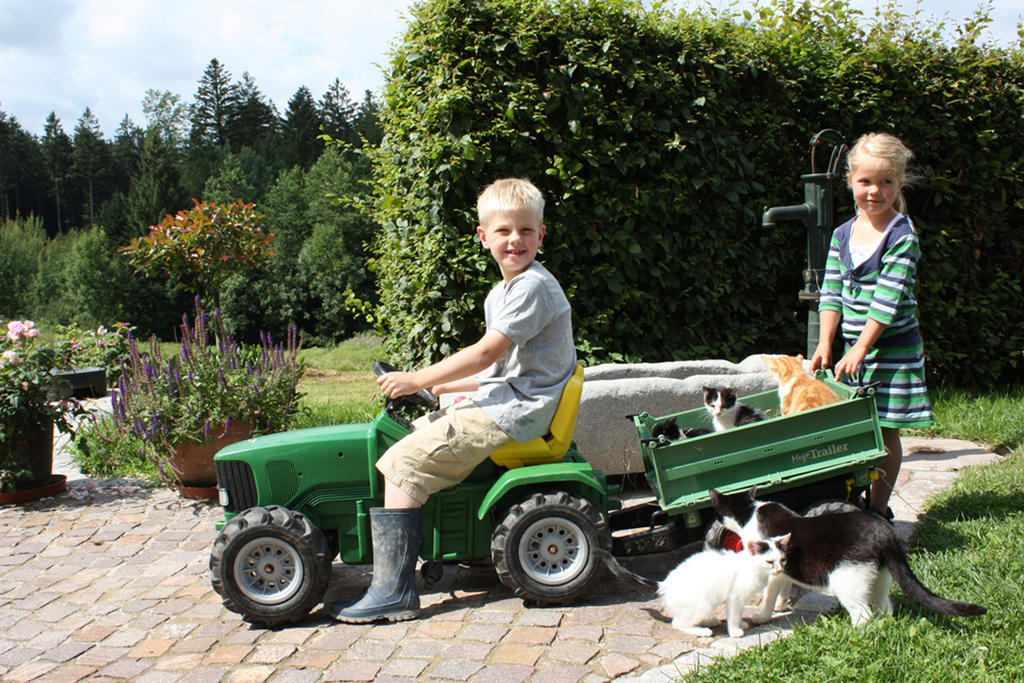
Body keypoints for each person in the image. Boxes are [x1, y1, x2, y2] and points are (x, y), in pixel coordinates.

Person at [330, 177, 576, 623]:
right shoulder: (503, 292)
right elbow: (500, 367)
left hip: (517, 412)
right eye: (503, 230)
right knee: (416, 434)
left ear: (542, 234)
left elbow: (485, 352)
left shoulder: (532, 287)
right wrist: (442, 389)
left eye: (525, 230)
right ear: (484, 237)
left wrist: (417, 378)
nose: (515, 240)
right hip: (508, 399)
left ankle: (393, 591)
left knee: (403, 463)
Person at [811, 132, 934, 520]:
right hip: (853, 348)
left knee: (884, 432)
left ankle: (877, 510)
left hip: (891, 349)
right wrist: (825, 343)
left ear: (899, 184)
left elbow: (887, 300)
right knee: (853, 428)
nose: (874, 191)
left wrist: (861, 347)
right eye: (865, 181)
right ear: (850, 181)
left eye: (886, 182)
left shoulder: (901, 235)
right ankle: (852, 499)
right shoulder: (842, 234)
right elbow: (830, 291)